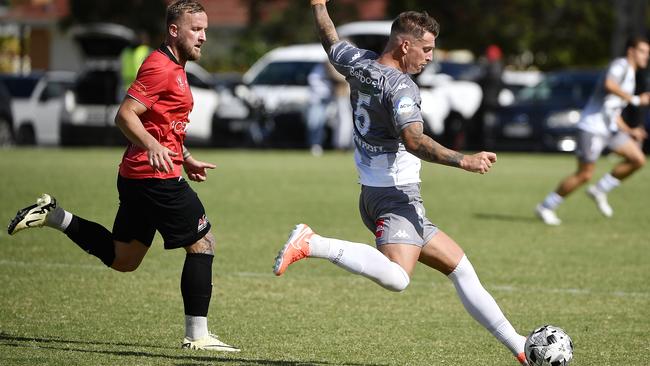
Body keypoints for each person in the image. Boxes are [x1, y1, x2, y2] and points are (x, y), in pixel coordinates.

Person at [274, 1, 529, 364]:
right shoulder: (401, 87)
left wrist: (318, 5)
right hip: (393, 196)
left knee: (460, 269)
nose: (429, 57)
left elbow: (330, 39)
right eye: (426, 49)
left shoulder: (359, 63)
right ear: (405, 45)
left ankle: (518, 345)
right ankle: (312, 242)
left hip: (382, 194)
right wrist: (464, 160)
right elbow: (414, 140)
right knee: (398, 278)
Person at [7, 0, 239, 352]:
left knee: (124, 259)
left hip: (138, 176)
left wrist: (186, 157)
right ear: (174, 30)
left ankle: (55, 216)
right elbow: (125, 115)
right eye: (196, 29)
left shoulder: (176, 66)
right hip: (154, 178)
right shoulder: (161, 66)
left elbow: (163, 125)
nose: (203, 37)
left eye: (205, 29)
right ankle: (198, 335)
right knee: (202, 244)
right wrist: (152, 147)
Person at [535, 37, 649, 225]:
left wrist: (629, 130)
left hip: (610, 129)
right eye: (643, 51)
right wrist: (635, 100)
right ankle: (546, 206)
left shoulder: (630, 75)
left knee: (638, 159)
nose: (646, 56)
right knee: (584, 174)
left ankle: (600, 189)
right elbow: (609, 85)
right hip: (592, 128)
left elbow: (612, 110)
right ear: (631, 51)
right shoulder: (620, 65)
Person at [306, 61, 334, 156]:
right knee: (314, 123)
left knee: (321, 124)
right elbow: (313, 80)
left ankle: (319, 144)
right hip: (317, 100)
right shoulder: (319, 68)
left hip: (328, 100)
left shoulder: (332, 69)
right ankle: (315, 144)